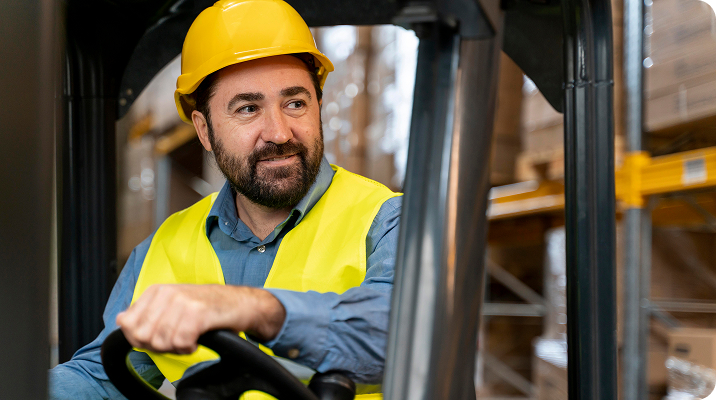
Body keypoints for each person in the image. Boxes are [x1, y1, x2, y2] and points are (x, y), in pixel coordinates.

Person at [49, 0, 401, 399]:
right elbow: (101, 378)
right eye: (248, 108)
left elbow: (404, 332)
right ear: (204, 130)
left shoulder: (387, 220)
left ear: (318, 107)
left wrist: (255, 309)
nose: (279, 132)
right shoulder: (161, 250)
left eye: (295, 103)